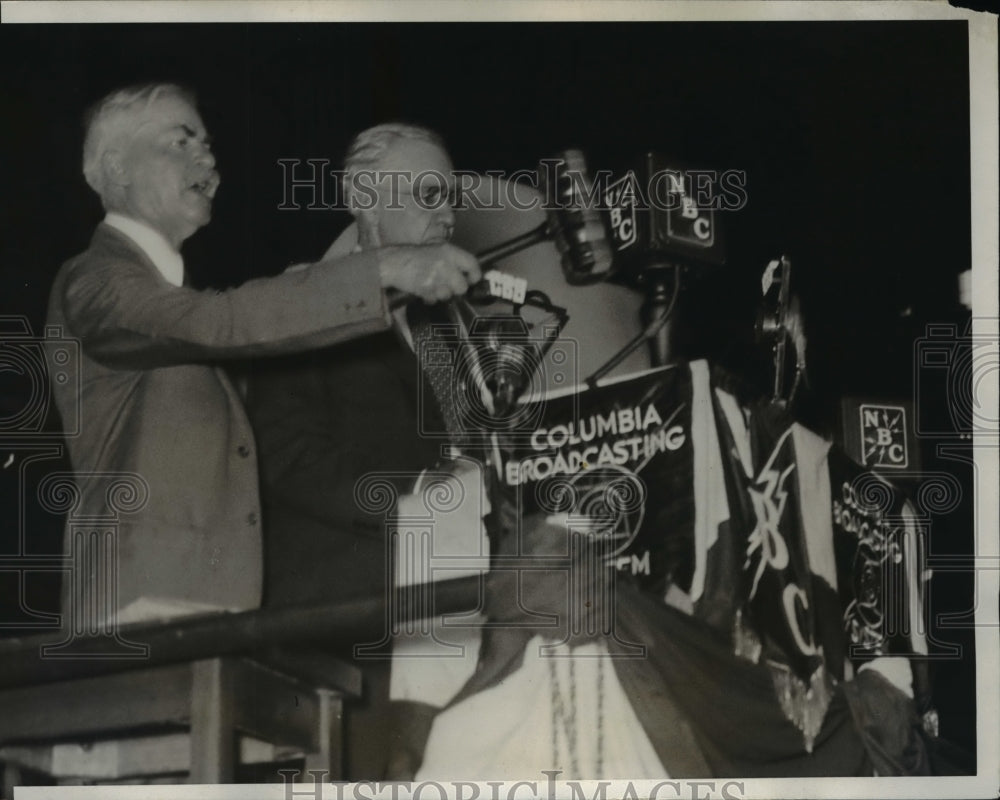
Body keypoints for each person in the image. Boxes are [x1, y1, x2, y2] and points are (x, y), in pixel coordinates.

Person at [45, 85, 480, 629]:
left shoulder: (173, 298)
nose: (206, 155)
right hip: (141, 604)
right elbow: (219, 323)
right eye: (179, 142)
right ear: (116, 167)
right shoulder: (93, 279)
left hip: (217, 608)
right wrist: (383, 269)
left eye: (205, 141)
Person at [246, 123, 477, 779]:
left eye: (451, 196)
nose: (448, 212)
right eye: (428, 192)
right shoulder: (300, 302)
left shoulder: (438, 329)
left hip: (437, 600)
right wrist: (418, 499)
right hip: (348, 617)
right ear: (362, 196)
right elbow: (286, 457)